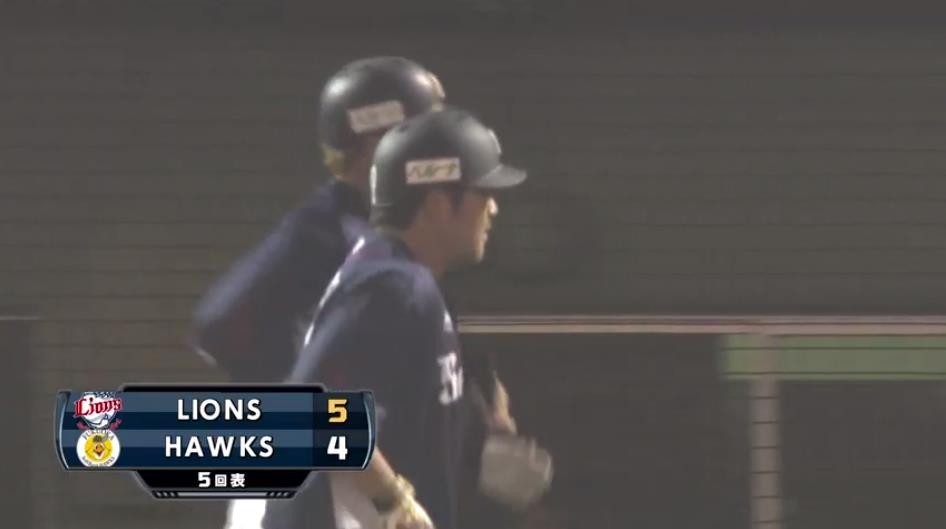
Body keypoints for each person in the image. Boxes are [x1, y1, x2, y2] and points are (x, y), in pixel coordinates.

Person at [189, 56, 447, 529]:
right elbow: (218, 325)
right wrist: (300, 390)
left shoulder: (377, 229)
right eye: (423, 134)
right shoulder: (330, 229)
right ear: (378, 140)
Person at [282, 107, 552, 529]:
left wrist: (479, 439)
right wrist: (393, 500)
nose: (494, 209)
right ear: (438, 203)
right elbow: (310, 412)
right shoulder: (391, 285)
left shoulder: (409, 281)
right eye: (484, 193)